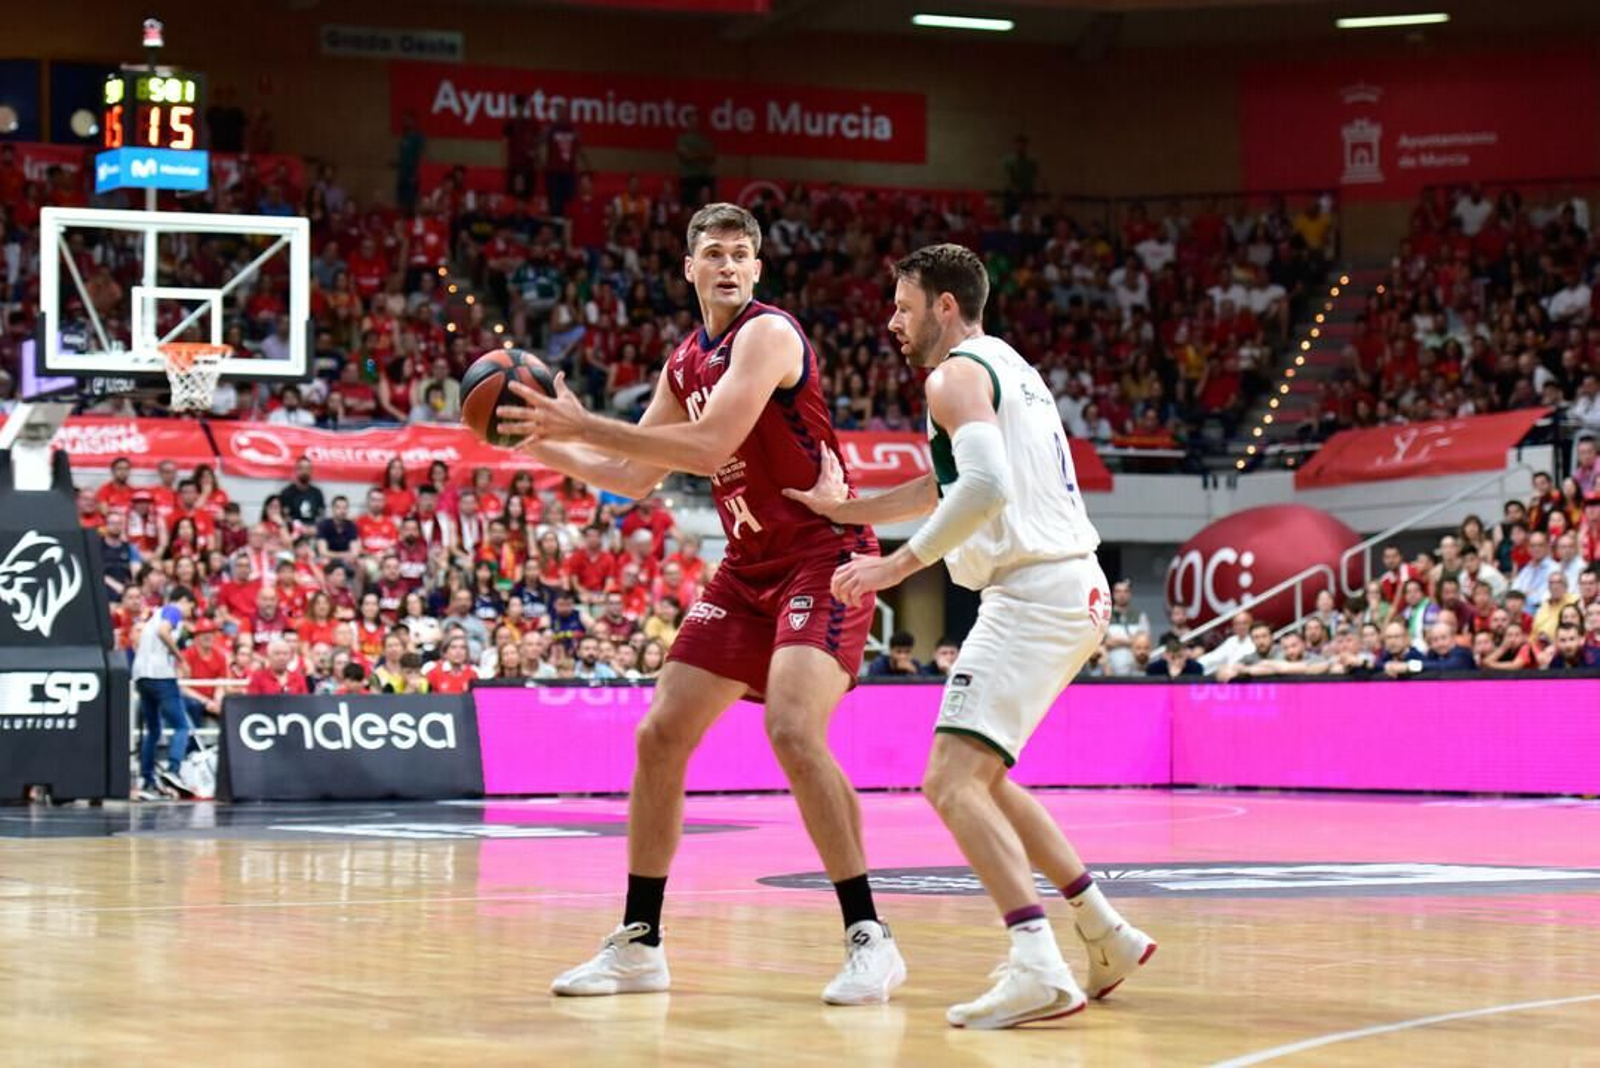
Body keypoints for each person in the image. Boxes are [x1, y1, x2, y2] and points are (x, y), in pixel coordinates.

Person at [497, 203, 899, 1004]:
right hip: (747, 569)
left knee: (791, 725)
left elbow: (710, 446)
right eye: (712, 252)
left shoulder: (769, 335)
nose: (727, 264)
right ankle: (640, 943)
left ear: (756, 271)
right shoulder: (684, 360)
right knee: (660, 733)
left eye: (741, 254)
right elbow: (635, 476)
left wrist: (584, 418)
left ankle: (870, 936)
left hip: (826, 556)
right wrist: (542, 441)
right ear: (688, 268)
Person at [785, 243, 1153, 1029]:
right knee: (981, 778)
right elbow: (950, 480)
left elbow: (983, 489)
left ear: (944, 306)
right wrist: (847, 513)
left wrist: (896, 567)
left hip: (1033, 590)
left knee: (949, 780)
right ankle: (1102, 930)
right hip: (1068, 586)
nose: (892, 320)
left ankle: (1037, 964)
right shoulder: (1007, 367)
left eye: (902, 305)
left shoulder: (951, 375)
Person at [132, 586, 195, 799]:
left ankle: (147, 779)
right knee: (181, 726)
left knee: (153, 730)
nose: (188, 613)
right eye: (190, 607)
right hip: (161, 676)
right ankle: (173, 770)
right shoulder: (172, 610)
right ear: (184, 600)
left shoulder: (154, 615)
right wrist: (180, 658)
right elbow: (164, 631)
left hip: (141, 676)